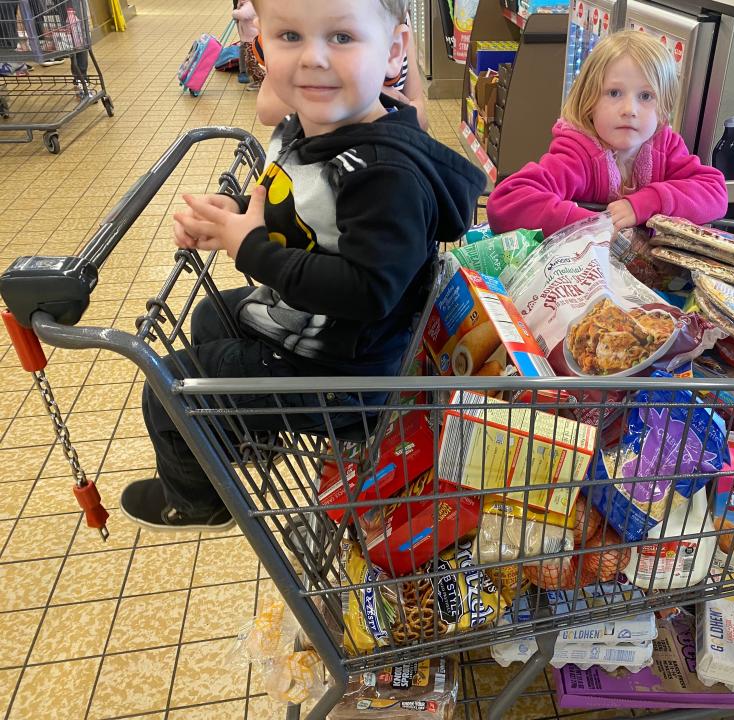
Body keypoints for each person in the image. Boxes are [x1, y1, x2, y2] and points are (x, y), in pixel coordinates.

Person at [119, 0, 485, 532]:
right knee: (210, 317)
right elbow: (304, 210)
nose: (313, 58)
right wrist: (239, 217)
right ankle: (251, 440)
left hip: (346, 376)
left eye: (341, 38)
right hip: (314, 327)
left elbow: (368, 291)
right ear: (262, 44)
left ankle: (197, 500)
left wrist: (251, 249)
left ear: (393, 52)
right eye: (290, 35)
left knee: (170, 386)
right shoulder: (309, 126)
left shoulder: (386, 175)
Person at [486, 31, 727, 238]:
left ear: (663, 109)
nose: (629, 110)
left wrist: (647, 203)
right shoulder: (577, 153)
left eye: (645, 96)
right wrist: (591, 226)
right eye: (614, 93)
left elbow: (715, 192)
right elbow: (507, 202)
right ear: (589, 101)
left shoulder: (665, 148)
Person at [255, 13, 429, 130]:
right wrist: (374, 95)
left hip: (386, 158)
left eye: (343, 38)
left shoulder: (397, 16)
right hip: (318, 160)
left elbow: (419, 112)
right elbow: (267, 109)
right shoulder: (313, 12)